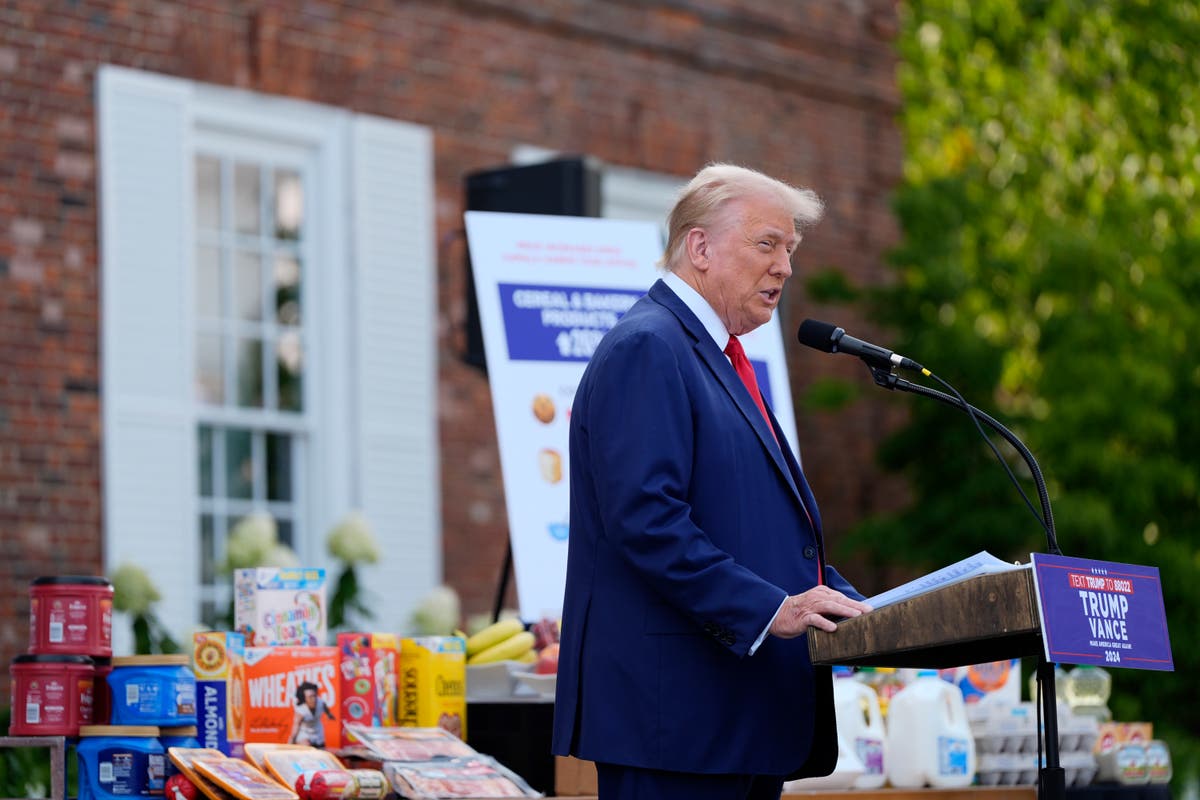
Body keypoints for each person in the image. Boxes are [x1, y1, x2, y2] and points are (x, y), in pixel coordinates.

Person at [551, 163, 873, 800]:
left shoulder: (716, 357)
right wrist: (771, 608)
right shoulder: (648, 347)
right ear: (699, 247)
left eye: (790, 250)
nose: (784, 267)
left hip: (736, 722)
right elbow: (648, 522)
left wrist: (854, 607)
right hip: (676, 727)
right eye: (766, 244)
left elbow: (747, 528)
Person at [288, 681, 335, 747]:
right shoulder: (301, 710)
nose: (313, 699)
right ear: (304, 698)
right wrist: (290, 743)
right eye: (310, 697)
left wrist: (329, 714)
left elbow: (326, 709)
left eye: (314, 696)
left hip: (318, 732)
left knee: (321, 751)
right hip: (304, 733)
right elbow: (296, 726)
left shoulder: (320, 703)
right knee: (308, 748)